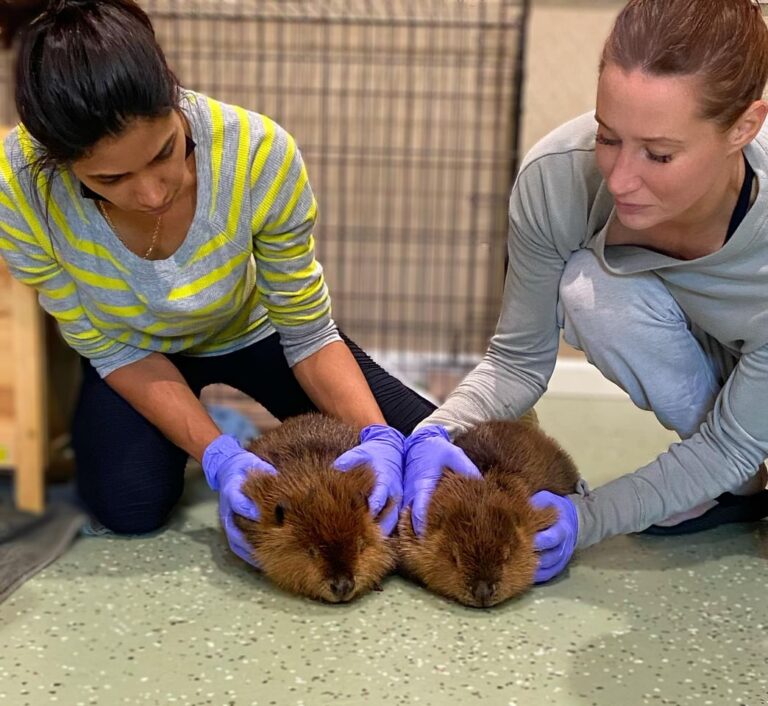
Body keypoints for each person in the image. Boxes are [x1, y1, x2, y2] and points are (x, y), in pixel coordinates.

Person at [0, 0, 436, 564]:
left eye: (165, 153)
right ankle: (207, 425)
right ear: (58, 163)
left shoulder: (258, 150)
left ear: (174, 99)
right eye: (111, 178)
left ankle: (240, 421)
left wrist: (378, 441)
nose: (154, 194)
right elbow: (102, 345)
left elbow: (306, 330)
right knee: (128, 507)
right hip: (135, 350)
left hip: (257, 332)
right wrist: (217, 454)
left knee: (421, 444)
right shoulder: (18, 187)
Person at [402, 0, 768, 582]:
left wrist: (589, 517)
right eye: (607, 136)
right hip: (725, 377)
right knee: (590, 291)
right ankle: (744, 492)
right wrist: (426, 438)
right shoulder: (556, 180)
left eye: (660, 153)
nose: (620, 179)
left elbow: (734, 442)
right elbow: (517, 362)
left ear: (744, 128)